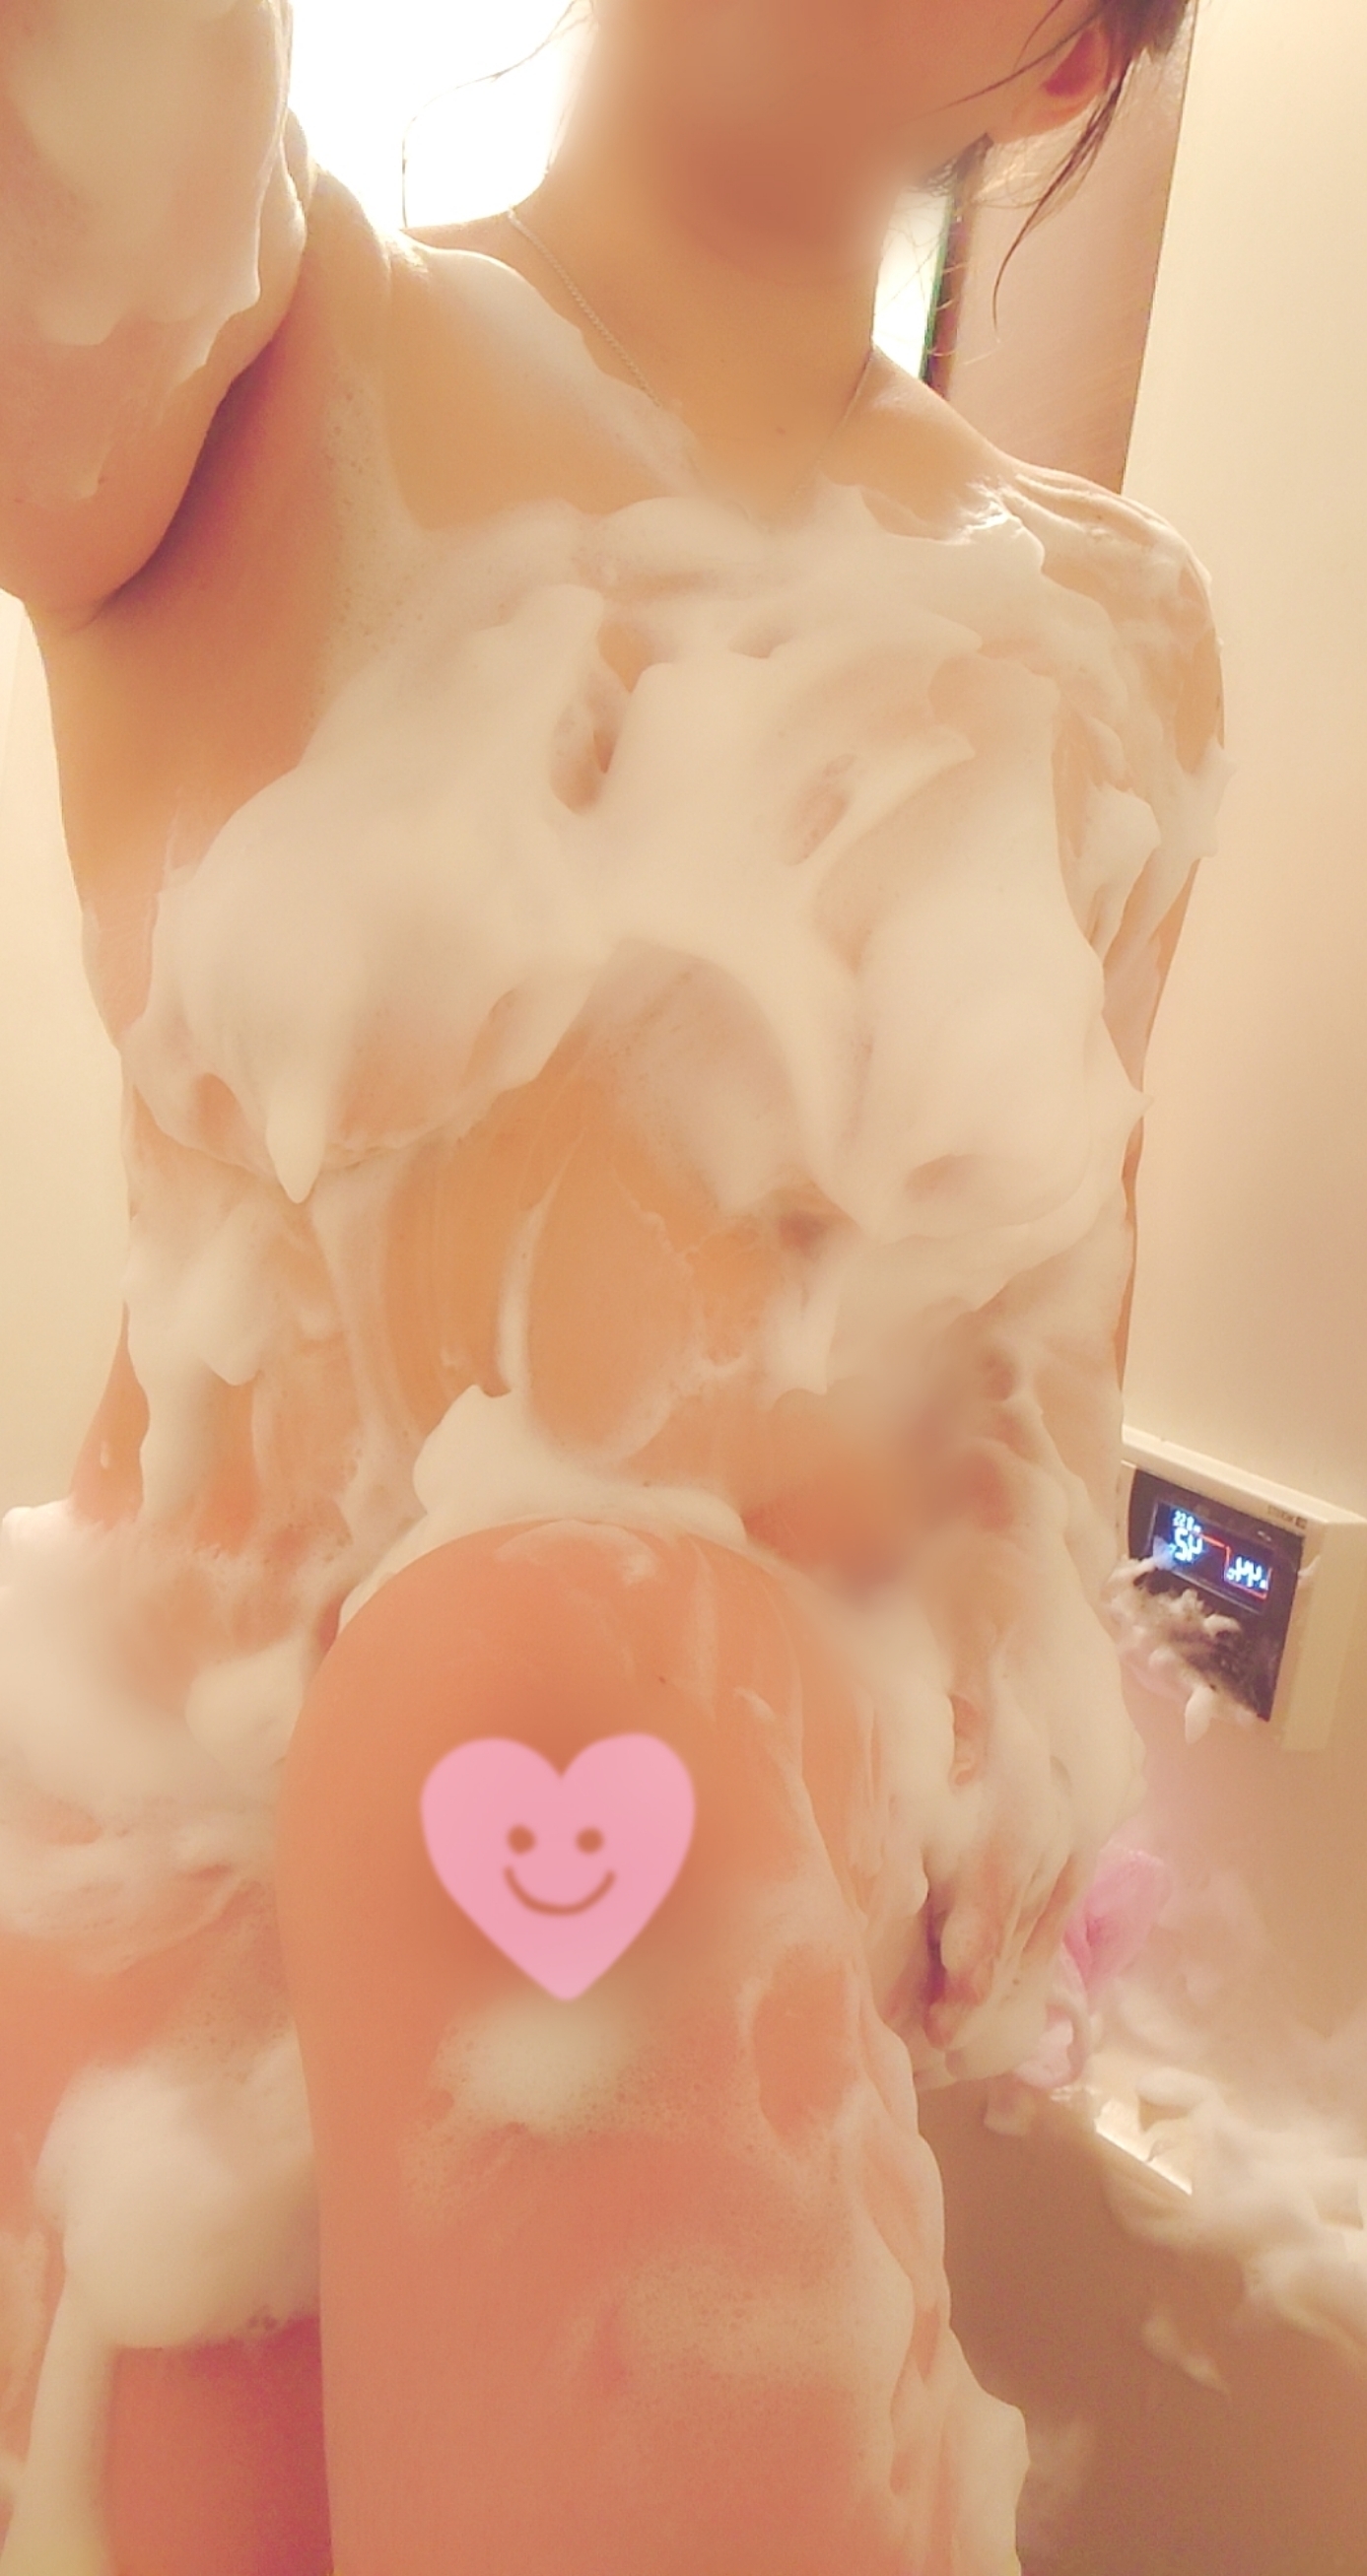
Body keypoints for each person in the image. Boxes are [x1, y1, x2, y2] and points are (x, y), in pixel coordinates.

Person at [0, 1, 1226, 2567]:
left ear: (1058, 74)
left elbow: (1027, 1398)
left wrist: (982, 1791)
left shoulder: (1111, 629)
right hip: (186, 1957)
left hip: (701, 1978)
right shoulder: (248, 339)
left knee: (554, 1677)